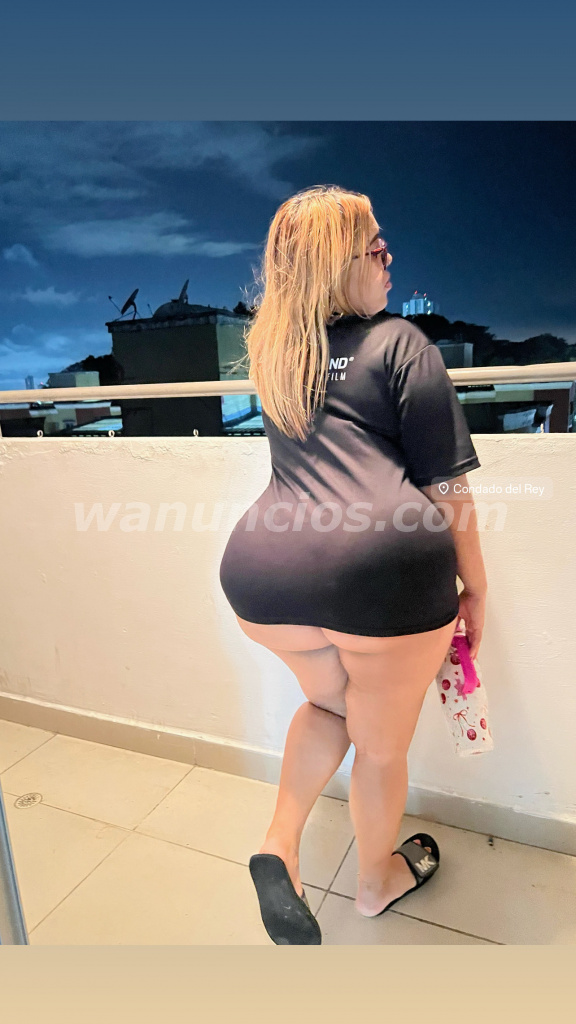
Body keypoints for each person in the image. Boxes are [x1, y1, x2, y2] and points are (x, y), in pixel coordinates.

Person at [219, 184, 487, 944]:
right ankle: (375, 881)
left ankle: (279, 844)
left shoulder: (281, 354)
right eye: (375, 247)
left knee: (331, 706)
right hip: (384, 579)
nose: (388, 257)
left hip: (264, 574)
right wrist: (476, 587)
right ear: (338, 264)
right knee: (380, 745)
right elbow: (446, 488)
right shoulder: (402, 344)